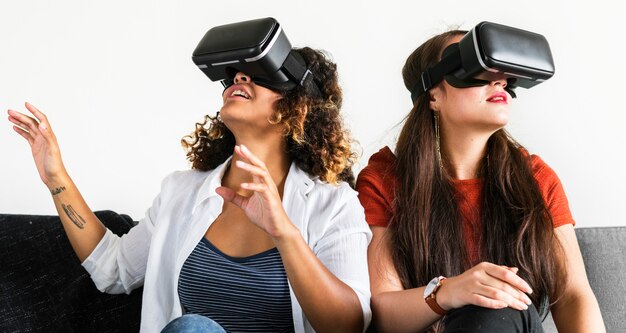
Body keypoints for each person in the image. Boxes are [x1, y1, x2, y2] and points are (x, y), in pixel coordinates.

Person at [8, 46, 372, 332]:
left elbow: (347, 326)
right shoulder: (181, 193)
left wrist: (285, 233)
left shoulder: (335, 206)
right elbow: (112, 270)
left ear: (296, 107)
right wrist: (56, 177)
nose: (239, 76)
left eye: (261, 74)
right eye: (235, 73)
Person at [356, 29, 605, 332]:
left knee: (494, 308)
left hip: (512, 323)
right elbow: (383, 312)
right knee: (482, 305)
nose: (499, 80)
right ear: (433, 94)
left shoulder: (535, 180)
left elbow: (573, 296)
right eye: (475, 67)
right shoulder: (386, 180)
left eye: (502, 72)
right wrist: (448, 293)